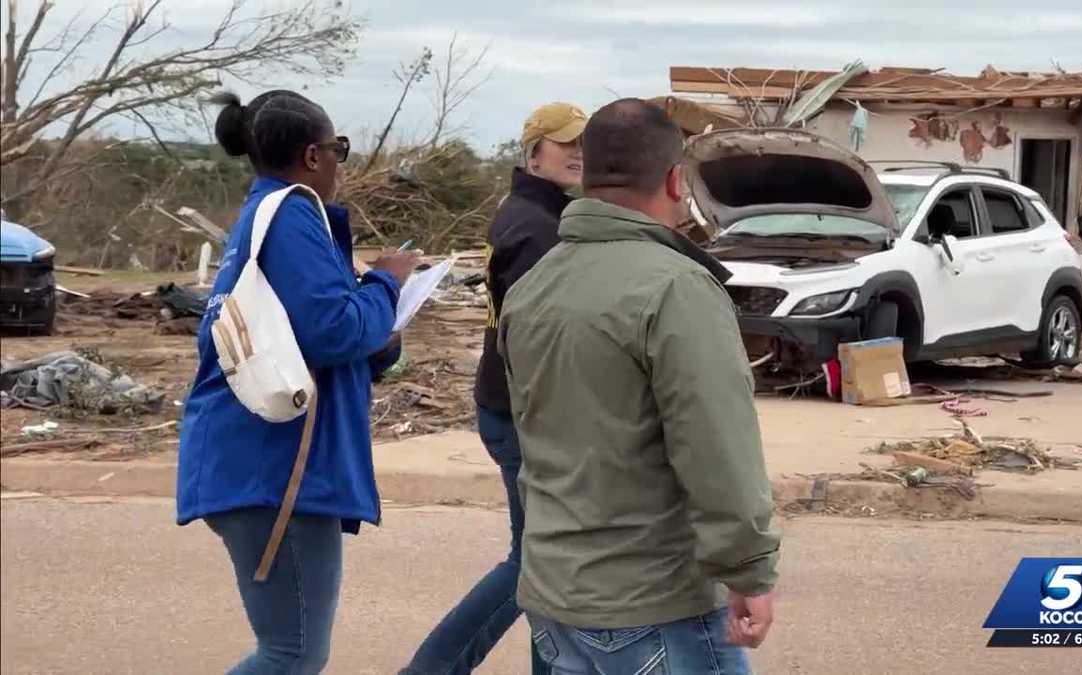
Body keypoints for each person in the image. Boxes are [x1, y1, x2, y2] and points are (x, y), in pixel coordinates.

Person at [496, 99, 781, 674]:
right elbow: (717, 450)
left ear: (589, 174)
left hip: (556, 601)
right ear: (675, 181)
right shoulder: (676, 288)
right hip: (655, 604)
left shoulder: (532, 287)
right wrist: (748, 571)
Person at [176, 90, 419, 674]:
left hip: (258, 463)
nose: (340, 162)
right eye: (339, 149)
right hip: (274, 468)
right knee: (291, 653)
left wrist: (379, 340)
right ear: (314, 155)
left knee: (292, 650)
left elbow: (308, 337)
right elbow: (334, 329)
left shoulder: (266, 217)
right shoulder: (291, 216)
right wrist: (386, 283)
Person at [400, 102, 587, 675]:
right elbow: (540, 345)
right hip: (524, 415)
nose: (579, 152)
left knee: (542, 562)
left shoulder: (532, 210)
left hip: (508, 407)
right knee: (535, 564)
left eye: (585, 142)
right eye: (566, 143)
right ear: (533, 153)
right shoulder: (539, 229)